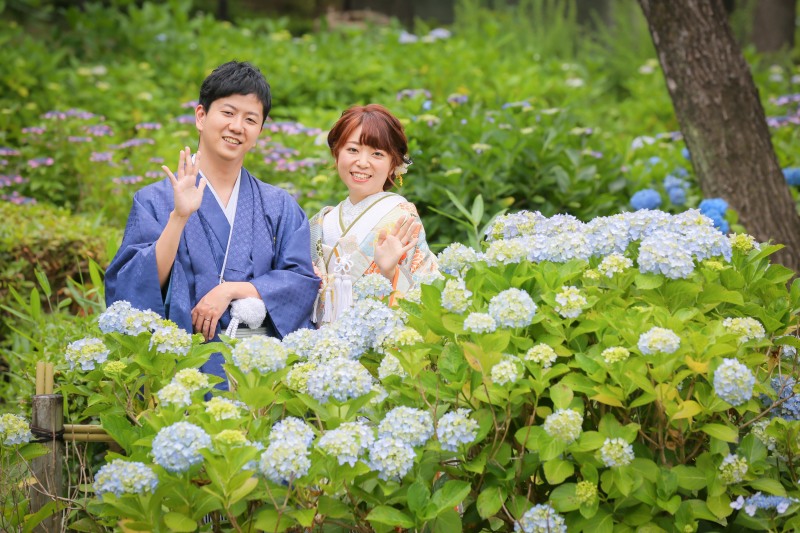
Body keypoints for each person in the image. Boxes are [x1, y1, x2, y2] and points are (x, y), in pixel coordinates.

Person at [105, 61, 319, 385]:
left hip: (255, 370)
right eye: (228, 113)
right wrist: (179, 217)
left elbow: (301, 282)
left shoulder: (279, 205)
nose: (237, 126)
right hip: (181, 363)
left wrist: (229, 291)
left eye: (250, 119)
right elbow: (133, 285)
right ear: (201, 116)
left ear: (260, 132)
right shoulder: (155, 200)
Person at [310, 104, 438, 323]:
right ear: (336, 153)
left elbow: (427, 292)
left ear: (393, 164)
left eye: (377, 154)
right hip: (324, 337)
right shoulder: (321, 222)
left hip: (378, 337)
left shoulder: (402, 217)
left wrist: (391, 273)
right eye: (352, 150)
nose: (362, 162)